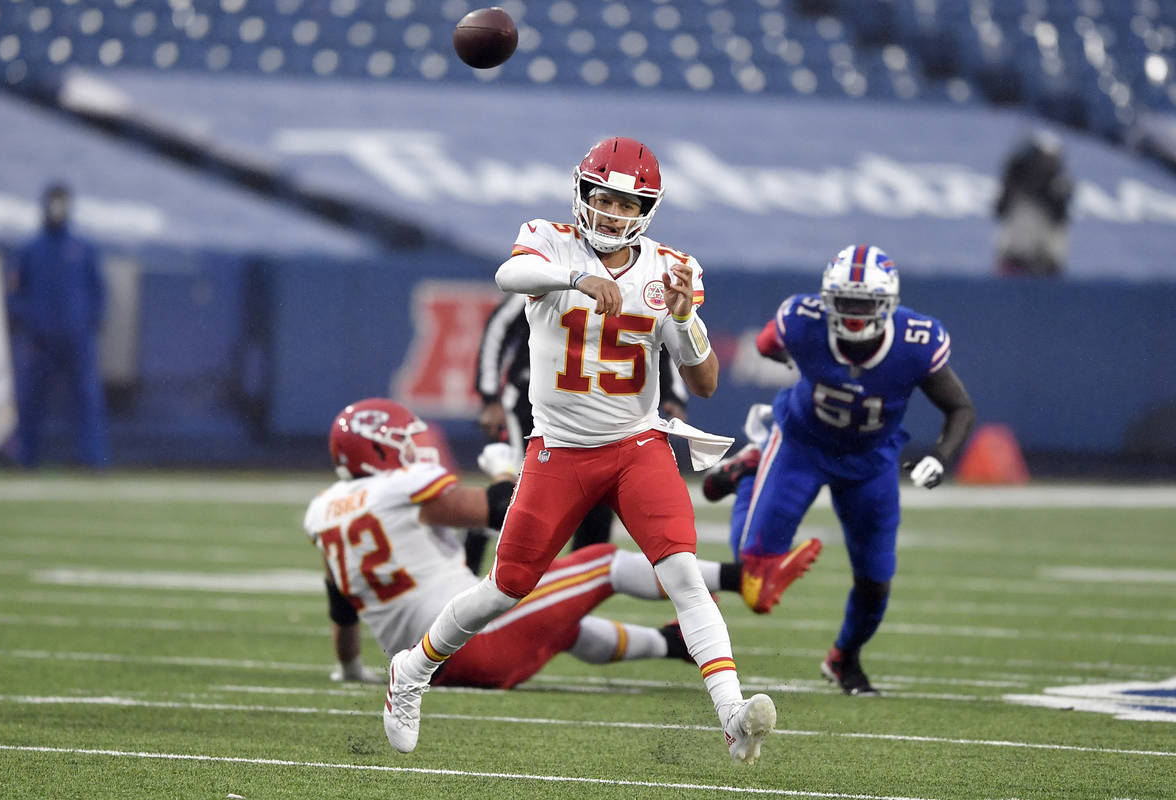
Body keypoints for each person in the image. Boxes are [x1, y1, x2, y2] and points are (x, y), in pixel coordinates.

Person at [382, 136, 780, 765]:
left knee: (681, 574)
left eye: (626, 203)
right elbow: (507, 274)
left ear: (646, 209)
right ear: (583, 193)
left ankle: (732, 715)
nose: (612, 212)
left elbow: (703, 383)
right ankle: (411, 671)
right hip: (559, 450)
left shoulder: (672, 268)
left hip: (636, 444)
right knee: (506, 587)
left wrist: (685, 318)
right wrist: (577, 277)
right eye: (602, 197)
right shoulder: (551, 241)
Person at [306, 398, 805, 687]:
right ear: (377, 451)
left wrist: (350, 668)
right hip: (475, 645)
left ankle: (672, 645)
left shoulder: (323, 512)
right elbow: (500, 509)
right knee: (601, 562)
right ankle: (744, 579)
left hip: (433, 665)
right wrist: (503, 469)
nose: (415, 449)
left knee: (560, 622)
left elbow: (341, 606)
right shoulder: (396, 490)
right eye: (403, 442)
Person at [702, 244, 975, 695]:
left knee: (875, 578)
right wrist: (798, 361)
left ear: (887, 304)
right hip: (802, 445)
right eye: (844, 301)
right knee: (755, 581)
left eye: (864, 303)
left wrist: (941, 458)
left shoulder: (915, 342)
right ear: (828, 298)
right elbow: (768, 344)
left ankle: (844, 657)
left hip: (871, 463)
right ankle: (752, 469)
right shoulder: (804, 321)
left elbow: (960, 408)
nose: (852, 313)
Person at [466, 294, 689, 570]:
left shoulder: (637, 278)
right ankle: (480, 525)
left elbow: (658, 333)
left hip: (601, 408)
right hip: (537, 404)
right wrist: (489, 396)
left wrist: (673, 394)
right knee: (530, 497)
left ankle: (575, 588)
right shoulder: (551, 269)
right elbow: (499, 325)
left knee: (599, 499)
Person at [5, 182, 109, 468]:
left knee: (86, 399)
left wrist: (90, 323)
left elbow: (98, 290)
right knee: (30, 401)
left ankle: (91, 459)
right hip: (39, 339)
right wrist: (26, 321)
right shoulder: (31, 248)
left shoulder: (82, 247)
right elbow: (15, 291)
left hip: (77, 337)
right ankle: (25, 457)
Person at [993, 130, 1073, 277]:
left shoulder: (1058, 182)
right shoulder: (1017, 178)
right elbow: (1000, 209)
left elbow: (1060, 215)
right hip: (1016, 253)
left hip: (1045, 255)